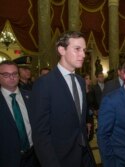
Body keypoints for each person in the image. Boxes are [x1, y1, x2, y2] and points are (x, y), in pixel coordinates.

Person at [30, 31, 96, 167]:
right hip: (60, 159)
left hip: (84, 155)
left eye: (84, 50)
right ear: (61, 50)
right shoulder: (44, 84)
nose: (83, 55)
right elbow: (40, 134)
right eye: (77, 49)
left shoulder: (80, 81)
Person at [0, 60, 40, 167]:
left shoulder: (31, 97)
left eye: (14, 74)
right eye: (6, 75)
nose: (12, 77)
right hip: (7, 159)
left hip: (33, 157)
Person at [83, 73, 97, 141]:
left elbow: (94, 102)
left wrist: (94, 110)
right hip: (83, 115)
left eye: (89, 78)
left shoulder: (91, 91)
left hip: (90, 114)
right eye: (86, 78)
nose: (89, 80)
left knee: (90, 134)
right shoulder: (80, 91)